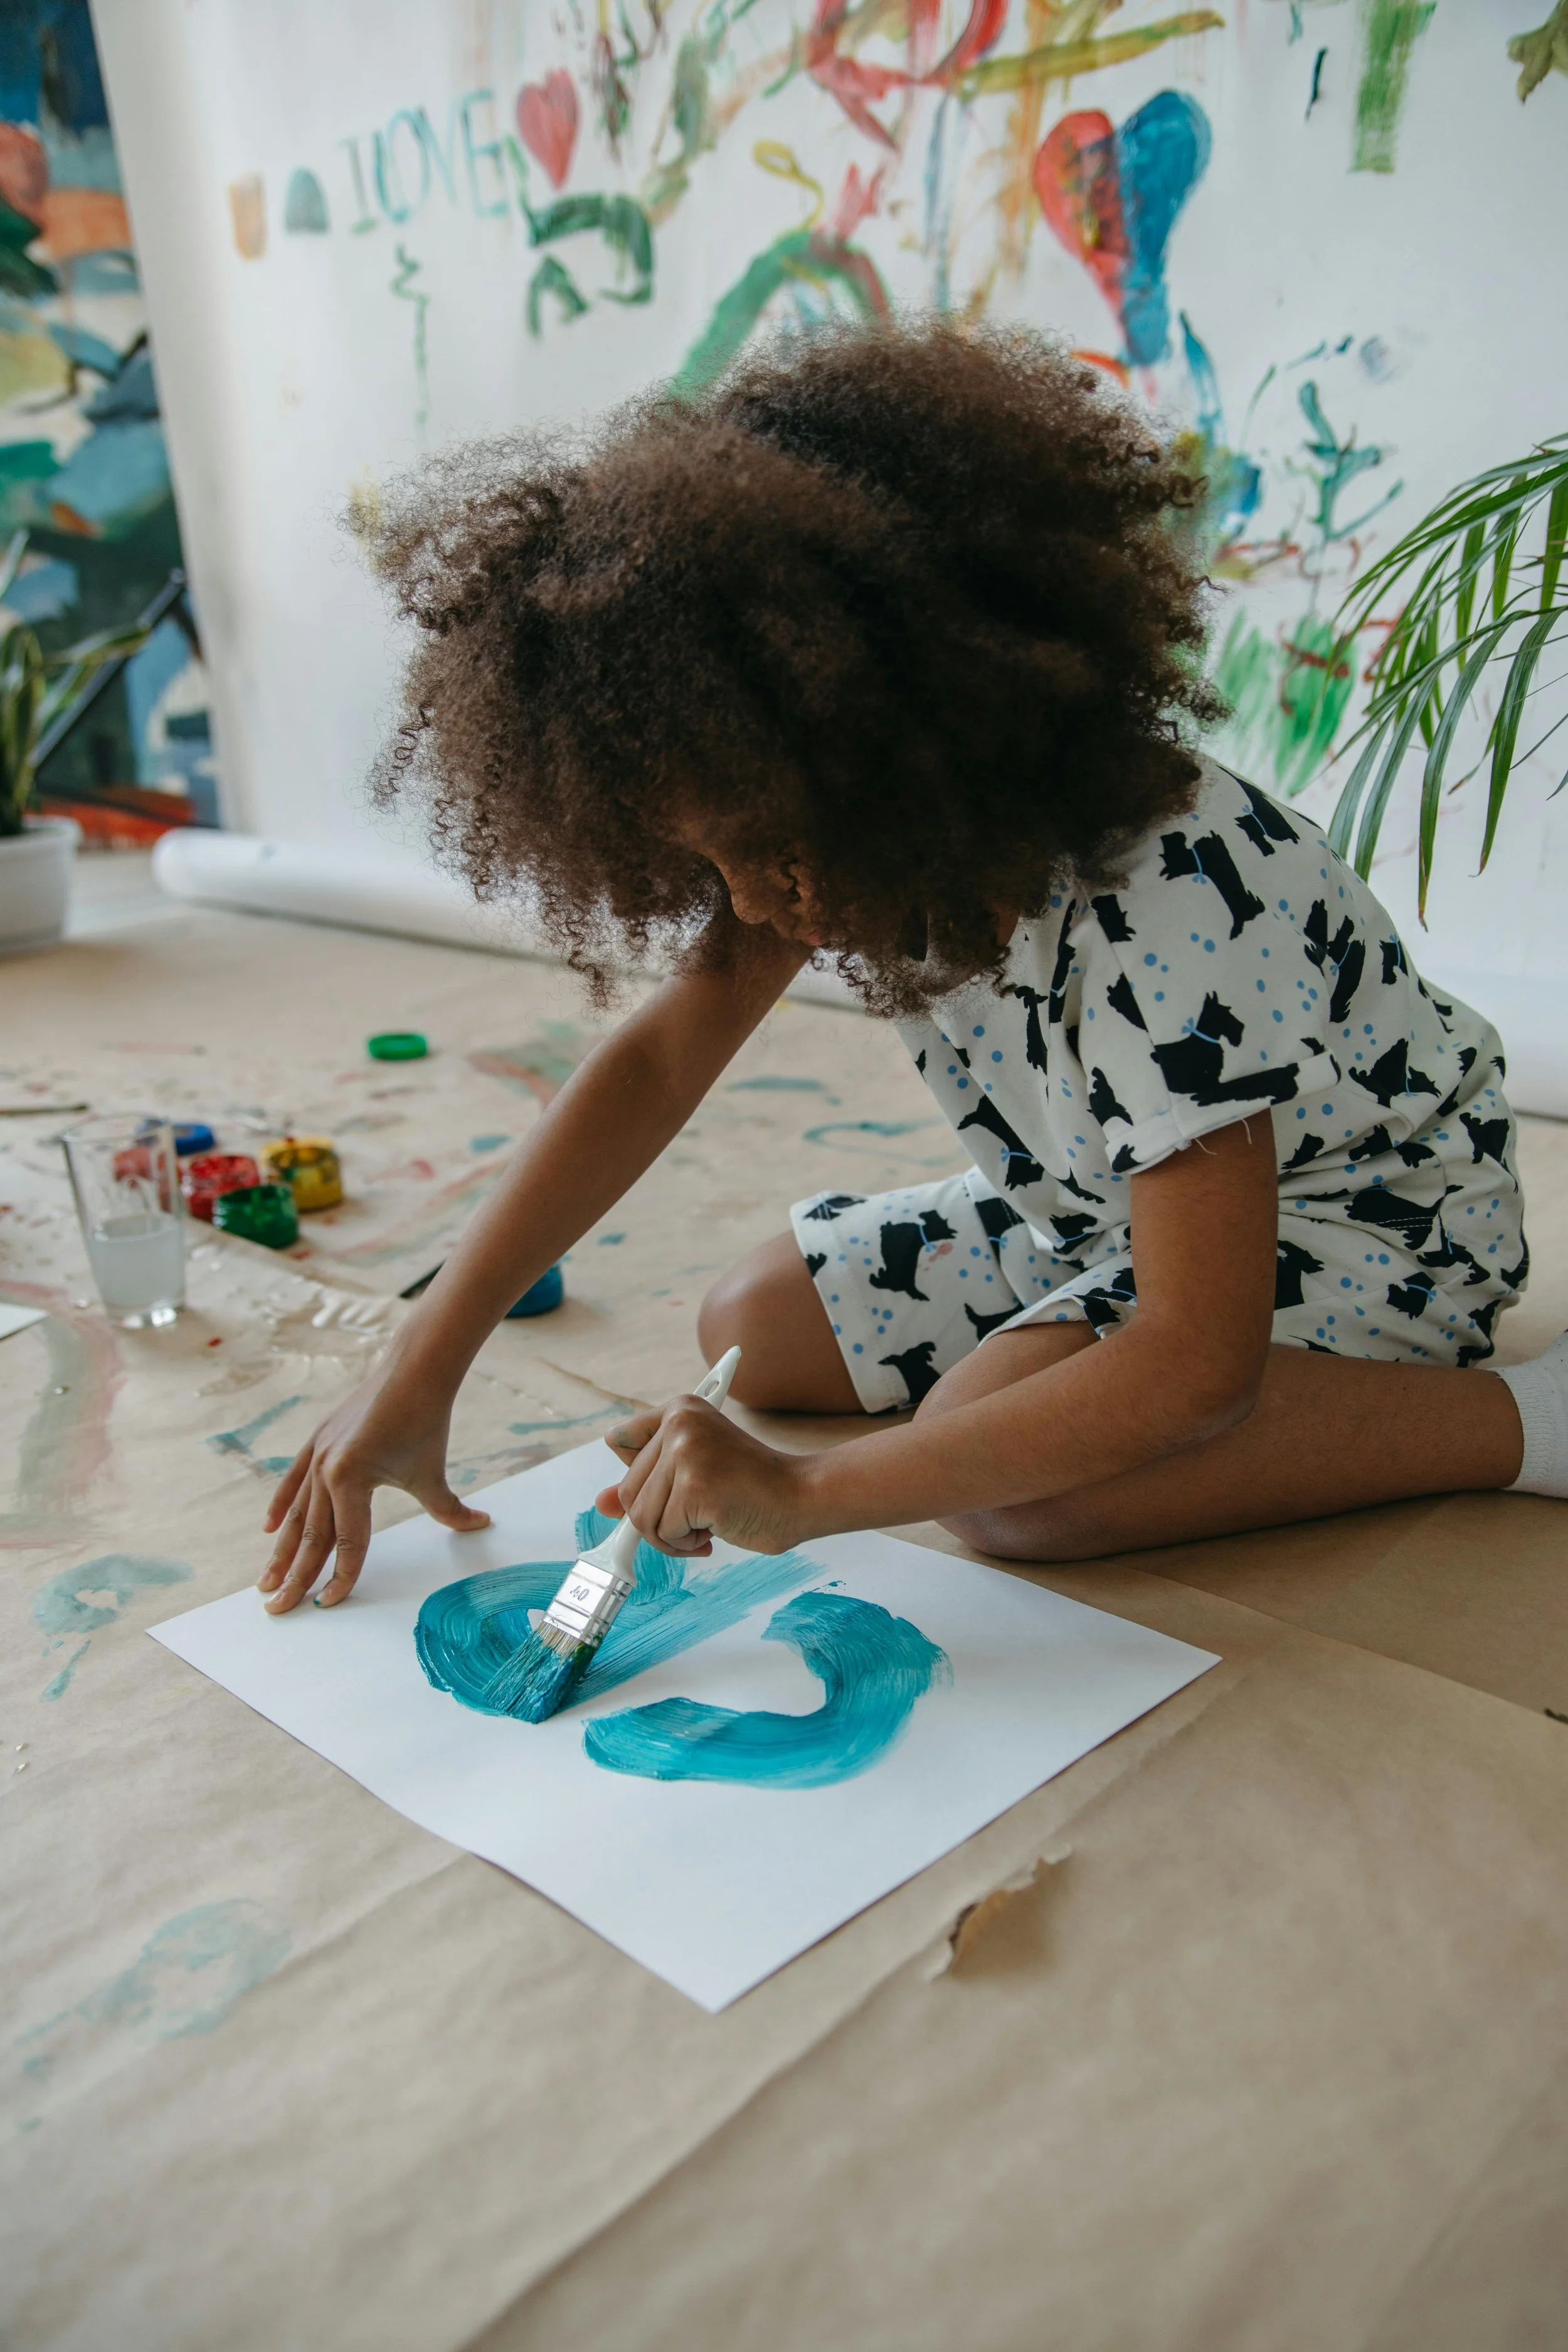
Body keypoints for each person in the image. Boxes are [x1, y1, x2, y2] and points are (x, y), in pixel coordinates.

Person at [260, 321, 1565, 1614]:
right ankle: (1050, 1332)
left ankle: (1516, 1422)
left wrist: (810, 1495)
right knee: (749, 1327)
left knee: (1017, 1491)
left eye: (767, 854)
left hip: (1364, 1218)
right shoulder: (825, 819)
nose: (759, 905)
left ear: (897, 739)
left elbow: (1193, 1364)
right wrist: (417, 1368)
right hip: (1096, 1203)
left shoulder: (1162, 896)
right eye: (715, 869)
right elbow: (658, 1061)